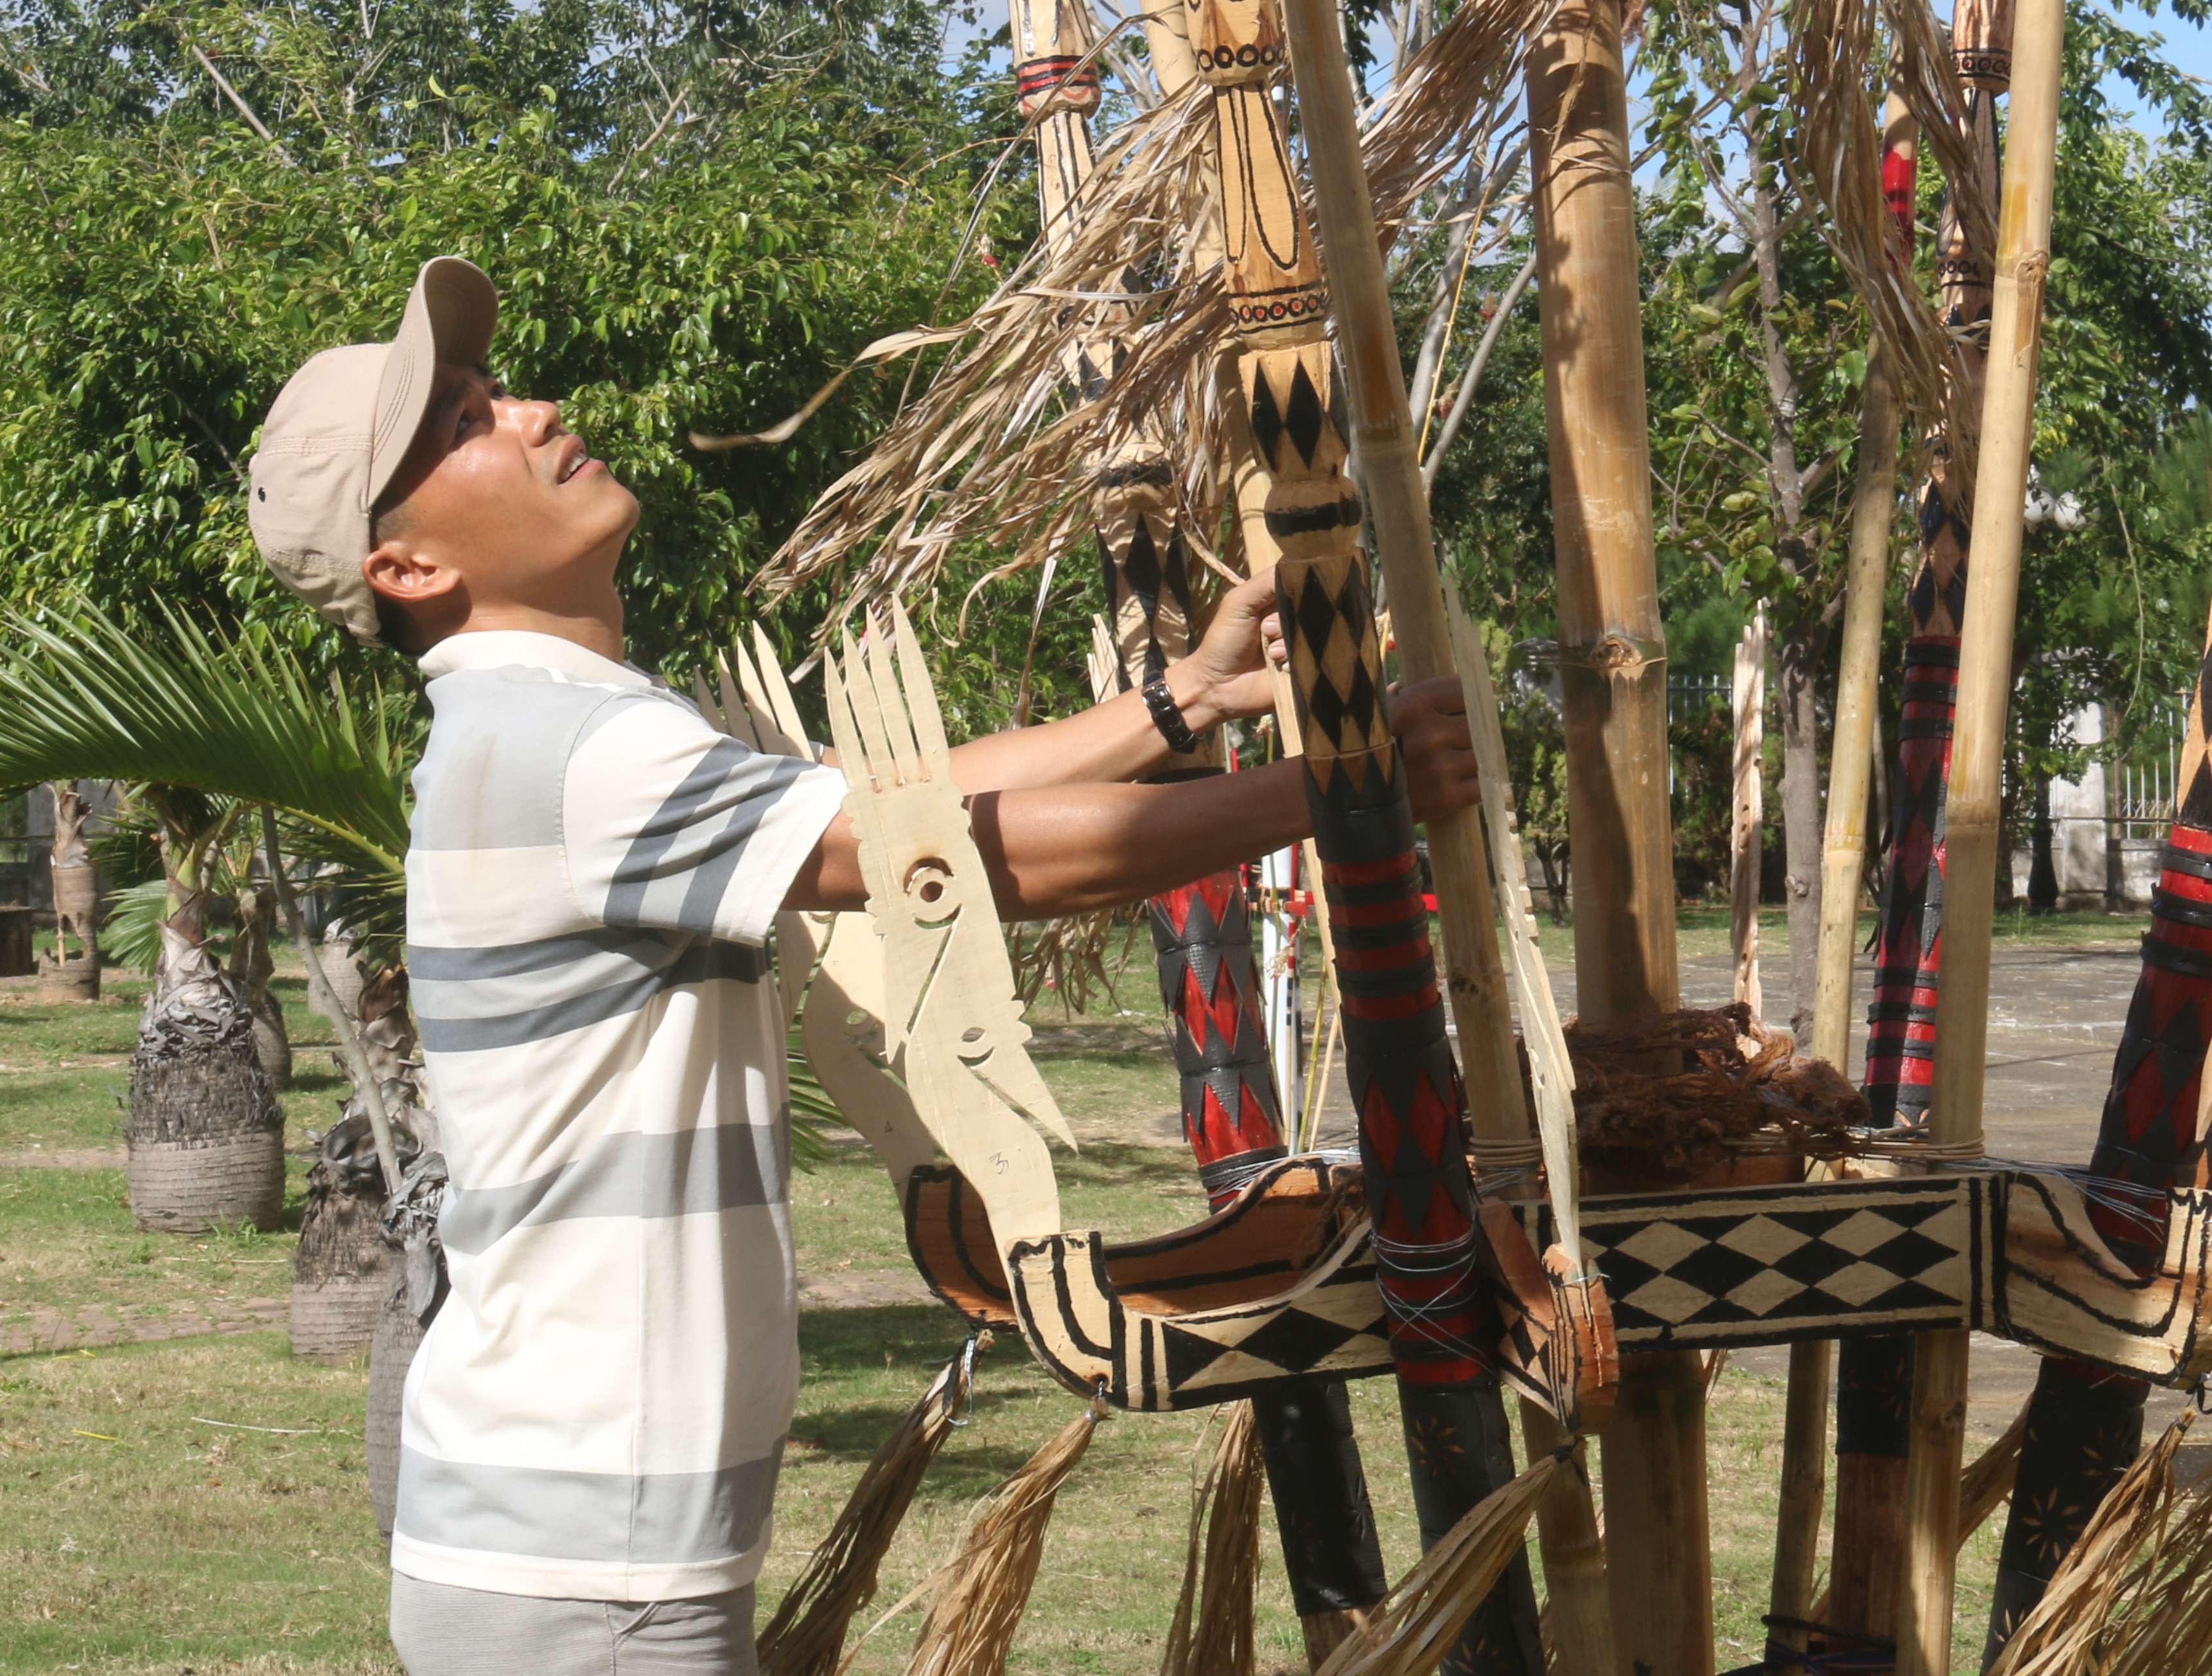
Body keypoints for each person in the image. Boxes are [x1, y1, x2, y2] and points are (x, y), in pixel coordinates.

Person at [247, 258, 1478, 1675]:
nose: (530, 411)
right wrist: (1331, 791)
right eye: (467, 424)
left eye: (494, 392)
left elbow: (897, 807)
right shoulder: (564, 751)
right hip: (581, 1565)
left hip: (570, 1537)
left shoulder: (558, 731)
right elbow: (946, 868)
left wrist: (1179, 700)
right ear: (408, 567)